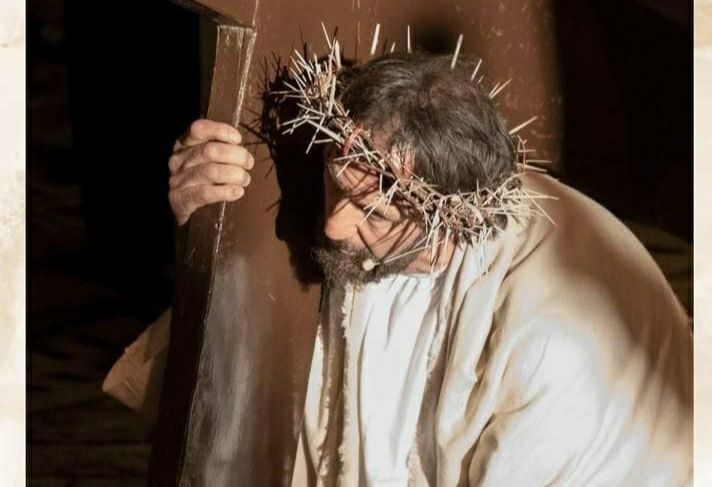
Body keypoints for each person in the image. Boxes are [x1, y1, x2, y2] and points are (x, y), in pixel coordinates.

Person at [113, 53, 693, 486]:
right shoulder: (373, 227)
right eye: (336, 184)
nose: (334, 224)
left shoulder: (557, 346)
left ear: (451, 226)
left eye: (374, 210)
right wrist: (203, 222)